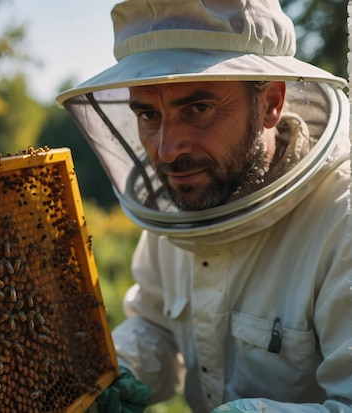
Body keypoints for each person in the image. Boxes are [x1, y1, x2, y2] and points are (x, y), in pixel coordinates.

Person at [56, 1, 352, 412]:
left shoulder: (342, 220)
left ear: (271, 104)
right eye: (148, 114)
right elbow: (156, 321)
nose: (167, 150)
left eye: (198, 109)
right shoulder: (183, 198)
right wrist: (123, 368)